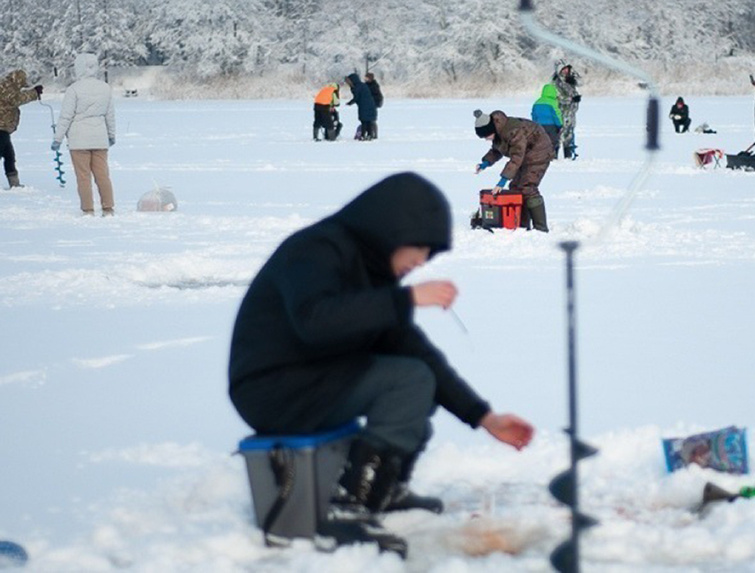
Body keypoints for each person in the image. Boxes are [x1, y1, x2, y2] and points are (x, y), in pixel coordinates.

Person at [229, 172, 535, 556]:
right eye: (420, 248)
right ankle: (348, 505)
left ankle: (383, 491)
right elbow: (314, 320)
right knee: (405, 382)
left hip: (309, 379)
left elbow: (414, 351)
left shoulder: (372, 274)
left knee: (415, 379)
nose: (421, 261)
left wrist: (483, 417)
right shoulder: (316, 249)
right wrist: (405, 301)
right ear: (393, 228)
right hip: (269, 386)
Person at [52, 54, 116, 216]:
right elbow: (110, 115)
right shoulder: (105, 88)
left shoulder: (74, 89)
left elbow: (66, 116)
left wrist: (58, 138)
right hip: (100, 139)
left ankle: (88, 209)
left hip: (78, 140)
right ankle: (108, 208)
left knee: (83, 177)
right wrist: (111, 135)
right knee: (103, 175)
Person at [473, 109, 554, 232]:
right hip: (525, 155)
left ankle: (541, 229)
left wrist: (503, 180)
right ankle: (521, 225)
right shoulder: (498, 130)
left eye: (486, 136)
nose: (486, 139)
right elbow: (496, 150)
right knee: (515, 188)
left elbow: (516, 156)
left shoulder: (513, 131)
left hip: (539, 152)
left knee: (527, 187)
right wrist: (485, 163)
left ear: (491, 130)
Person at [0, 69, 43, 189]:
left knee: (9, 156)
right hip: (1, 128)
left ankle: (14, 183)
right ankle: (14, 183)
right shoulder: (5, 87)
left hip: (4, 129)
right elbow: (16, 99)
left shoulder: (9, 87)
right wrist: (34, 93)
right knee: (5, 155)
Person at [551, 61, 581, 159]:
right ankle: (554, 156)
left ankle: (569, 156)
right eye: (564, 69)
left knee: (569, 134)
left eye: (567, 69)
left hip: (571, 113)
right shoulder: (556, 82)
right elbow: (558, 97)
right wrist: (571, 99)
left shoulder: (570, 81)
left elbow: (581, 82)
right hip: (561, 113)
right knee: (559, 135)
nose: (566, 71)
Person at [530, 83, 563, 158]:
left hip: (539, 126)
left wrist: (535, 124)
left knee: (541, 141)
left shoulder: (537, 102)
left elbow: (533, 114)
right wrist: (559, 125)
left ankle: (541, 156)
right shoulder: (553, 103)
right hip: (551, 126)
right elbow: (557, 115)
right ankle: (553, 156)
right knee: (553, 141)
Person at [344, 73, 377, 141]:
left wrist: (350, 103)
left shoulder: (357, 87)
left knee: (364, 121)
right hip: (369, 105)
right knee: (368, 121)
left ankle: (363, 135)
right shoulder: (361, 85)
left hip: (364, 106)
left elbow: (356, 97)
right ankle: (369, 135)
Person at [364, 72, 383, 139]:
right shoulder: (366, 85)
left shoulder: (374, 86)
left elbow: (377, 96)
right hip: (367, 105)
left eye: (366, 78)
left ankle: (374, 134)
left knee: (372, 120)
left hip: (372, 105)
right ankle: (369, 133)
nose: (365, 79)